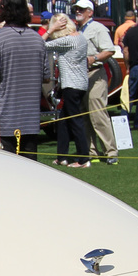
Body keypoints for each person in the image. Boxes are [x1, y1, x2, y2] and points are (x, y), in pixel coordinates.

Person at [0, 0, 46, 158]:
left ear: (3, 9)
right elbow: (46, 76)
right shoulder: (38, 40)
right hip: (30, 120)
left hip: (3, 121)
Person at [74, 0, 119, 164]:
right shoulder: (79, 29)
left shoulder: (98, 28)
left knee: (97, 113)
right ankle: (91, 151)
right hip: (81, 75)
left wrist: (94, 58)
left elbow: (109, 50)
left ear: (90, 12)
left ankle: (111, 152)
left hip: (96, 75)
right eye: (76, 8)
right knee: (85, 114)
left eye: (81, 9)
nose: (77, 11)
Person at [43, 13, 91, 167]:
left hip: (72, 85)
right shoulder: (81, 37)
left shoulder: (69, 40)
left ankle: (84, 159)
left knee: (75, 121)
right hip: (79, 84)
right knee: (63, 120)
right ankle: (61, 156)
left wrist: (50, 31)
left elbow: (39, 44)